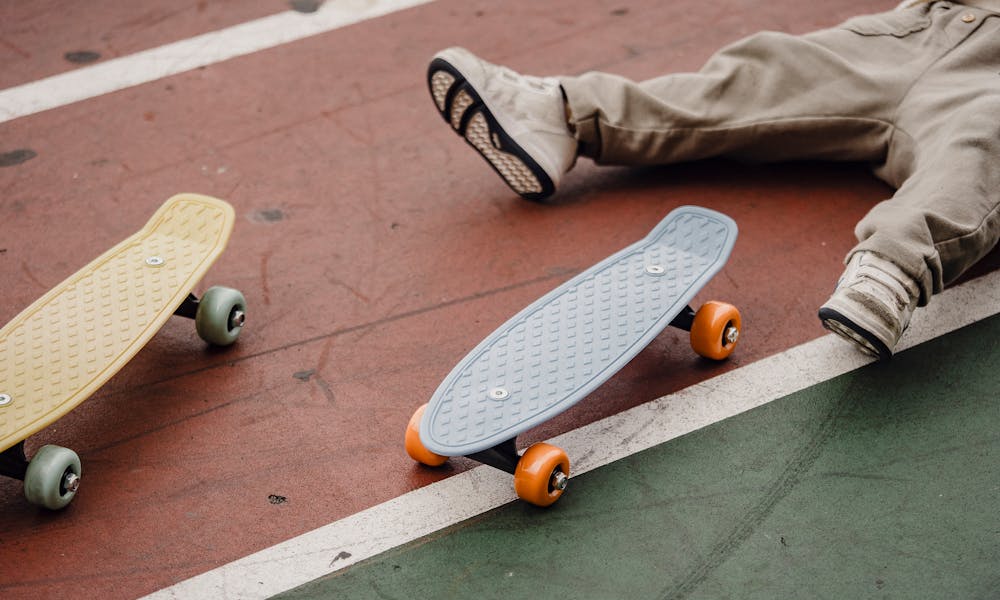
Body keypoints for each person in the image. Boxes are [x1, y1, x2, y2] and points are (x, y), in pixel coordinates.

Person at [425, 0, 1000, 361]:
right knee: (764, 72)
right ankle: (560, 117)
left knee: (981, 141)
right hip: (939, 22)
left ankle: (894, 267)